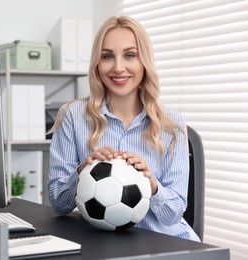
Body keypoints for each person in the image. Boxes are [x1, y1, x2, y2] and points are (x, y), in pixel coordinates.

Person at [47, 16, 200, 242]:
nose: (118, 68)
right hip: (102, 245)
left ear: (144, 61)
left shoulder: (172, 125)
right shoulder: (72, 117)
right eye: (107, 56)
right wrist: (82, 172)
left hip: (164, 242)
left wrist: (152, 185)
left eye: (130, 55)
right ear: (97, 64)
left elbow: (175, 214)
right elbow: (59, 205)